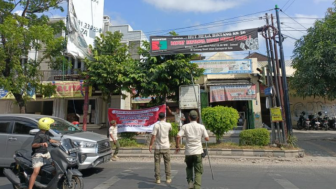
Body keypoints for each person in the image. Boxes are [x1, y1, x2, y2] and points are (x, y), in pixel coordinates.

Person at [176, 110, 209, 189]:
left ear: (189, 117)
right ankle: (197, 187)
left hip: (188, 152)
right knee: (198, 171)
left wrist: (177, 146)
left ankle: (190, 182)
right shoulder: (201, 127)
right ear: (197, 118)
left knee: (189, 167)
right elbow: (207, 138)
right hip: (198, 152)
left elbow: (178, 136)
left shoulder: (185, 126)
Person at [29, 117, 59, 189]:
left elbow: (50, 139)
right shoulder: (38, 135)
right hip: (38, 154)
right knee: (36, 172)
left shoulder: (46, 132)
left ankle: (51, 181)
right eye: (49, 124)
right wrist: (41, 144)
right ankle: (29, 188)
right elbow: (33, 145)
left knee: (56, 165)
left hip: (46, 152)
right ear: (45, 125)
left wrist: (58, 142)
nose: (50, 126)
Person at [149, 112, 172, 184]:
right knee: (167, 162)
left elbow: (153, 136)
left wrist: (150, 145)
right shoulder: (168, 124)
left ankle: (158, 178)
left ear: (158, 117)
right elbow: (170, 130)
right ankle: (168, 178)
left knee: (157, 163)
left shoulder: (156, 125)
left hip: (158, 147)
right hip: (166, 146)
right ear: (165, 117)